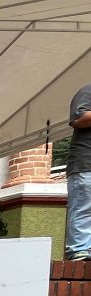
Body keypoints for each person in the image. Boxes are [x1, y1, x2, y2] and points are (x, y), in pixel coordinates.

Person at [66, 83, 91, 261]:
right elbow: (79, 118)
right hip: (86, 164)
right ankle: (78, 250)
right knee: (84, 207)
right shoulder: (88, 91)